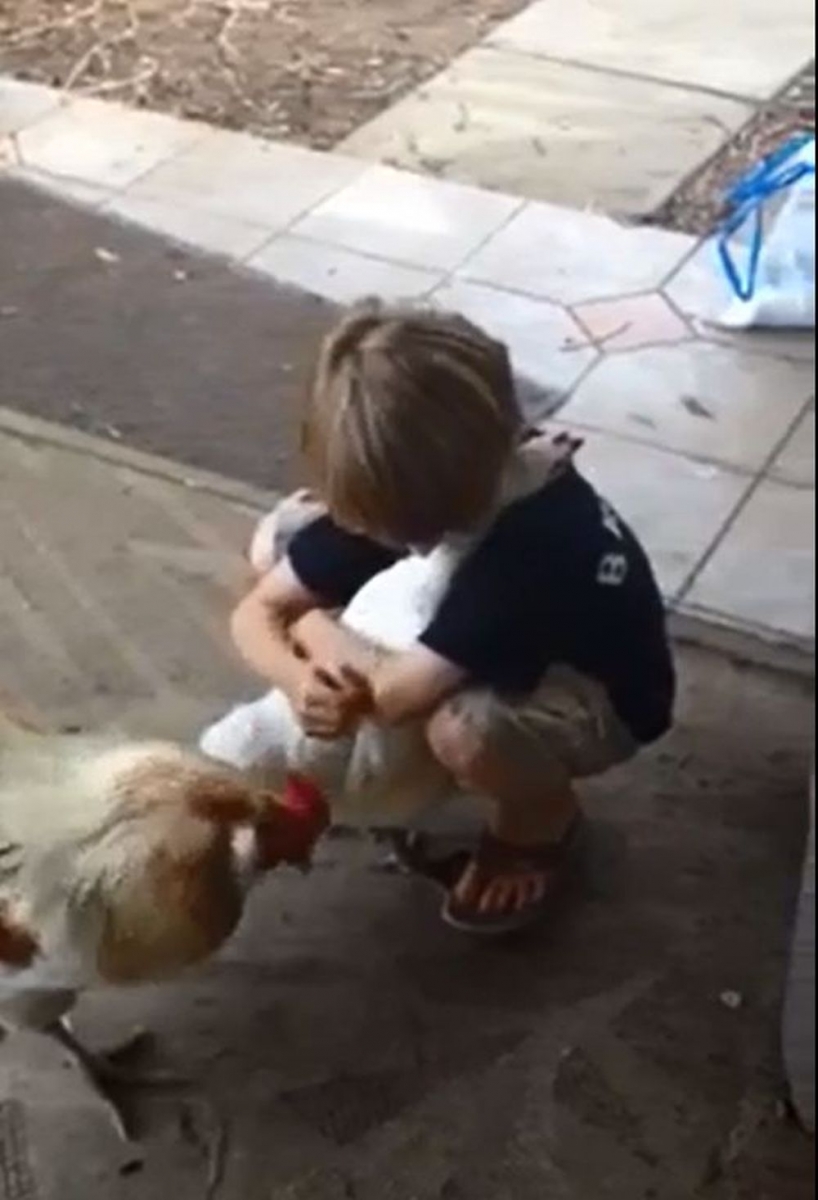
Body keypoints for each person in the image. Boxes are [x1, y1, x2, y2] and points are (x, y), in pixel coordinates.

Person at [229, 301, 676, 935]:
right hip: (473, 586)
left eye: (379, 525)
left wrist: (309, 628)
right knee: (276, 545)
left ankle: (541, 820)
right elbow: (258, 612)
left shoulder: (537, 548)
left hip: (602, 692)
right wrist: (301, 673)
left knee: (466, 730)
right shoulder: (432, 474)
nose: (365, 528)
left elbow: (392, 699)